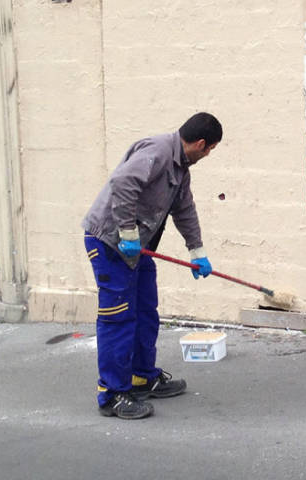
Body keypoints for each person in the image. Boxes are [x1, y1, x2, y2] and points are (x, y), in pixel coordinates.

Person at [82, 112, 222, 419]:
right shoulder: (158, 151)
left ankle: (141, 377)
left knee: (145, 311)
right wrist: (128, 233)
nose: (208, 154)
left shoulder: (181, 170)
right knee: (118, 317)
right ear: (201, 143)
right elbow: (122, 183)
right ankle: (112, 394)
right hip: (109, 242)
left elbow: (184, 210)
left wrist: (197, 252)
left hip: (137, 250)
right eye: (210, 149)